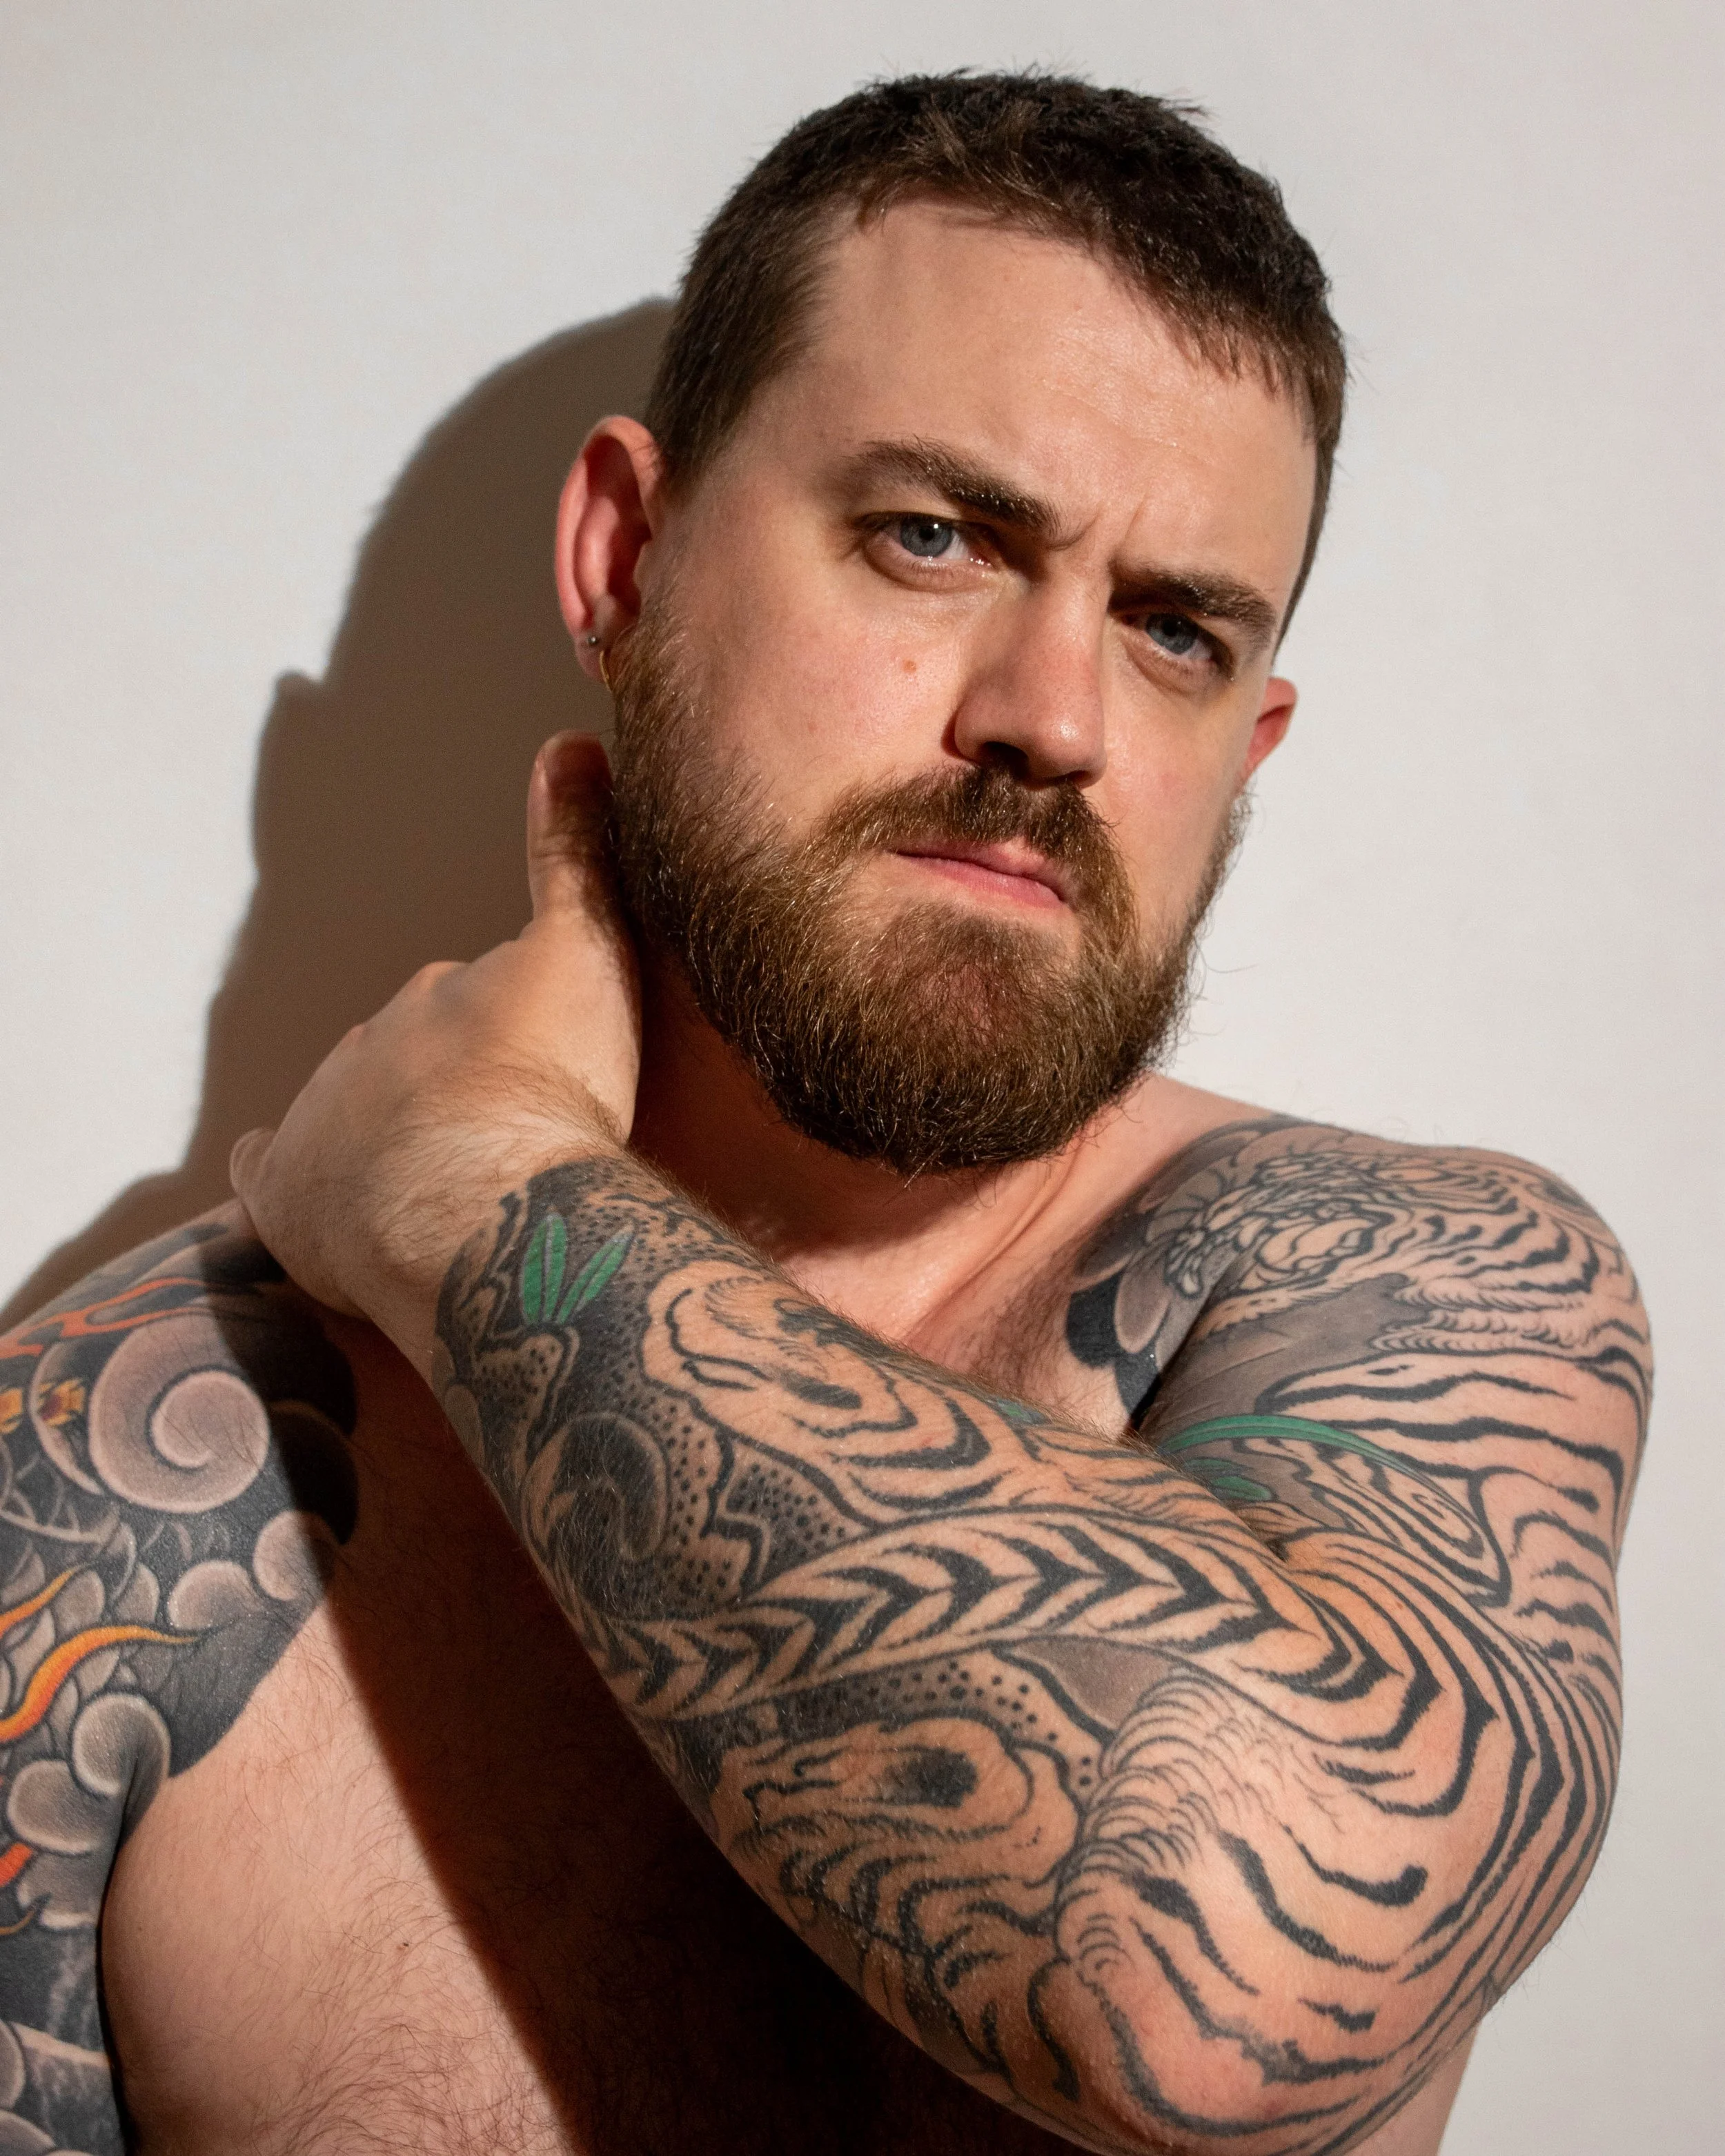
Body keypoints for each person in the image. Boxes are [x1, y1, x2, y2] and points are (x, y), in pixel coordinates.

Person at [0, 73, 1645, 2156]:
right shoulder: (115, 1484)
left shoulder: (1412, 1294)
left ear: (1251, 744)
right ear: (624, 553)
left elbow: (1219, 1988)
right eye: (931, 535)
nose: (1050, 716)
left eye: (1172, 631)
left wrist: (473, 1188)